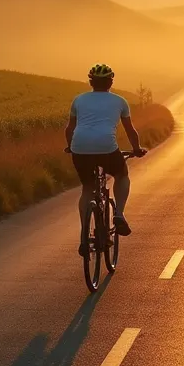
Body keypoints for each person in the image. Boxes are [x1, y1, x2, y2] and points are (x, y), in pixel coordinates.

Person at [65, 63, 146, 257]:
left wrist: (71, 146)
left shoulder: (79, 100)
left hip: (80, 146)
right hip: (106, 147)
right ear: (110, 82)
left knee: (87, 188)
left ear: (91, 82)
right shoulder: (120, 101)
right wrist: (136, 149)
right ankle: (118, 213)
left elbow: (69, 129)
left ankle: (84, 236)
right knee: (121, 174)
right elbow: (130, 130)